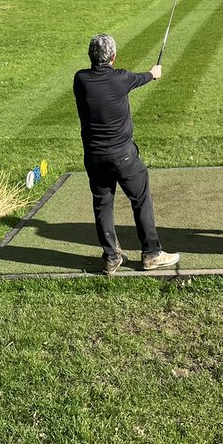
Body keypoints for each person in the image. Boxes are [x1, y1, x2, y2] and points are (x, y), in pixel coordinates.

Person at [73, 34, 180, 275]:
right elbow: (148, 76)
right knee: (140, 200)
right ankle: (151, 253)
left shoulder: (80, 79)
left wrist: (150, 74)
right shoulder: (121, 79)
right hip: (123, 157)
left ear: (91, 56)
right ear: (113, 57)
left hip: (94, 157)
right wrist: (155, 73)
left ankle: (111, 258)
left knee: (102, 205)